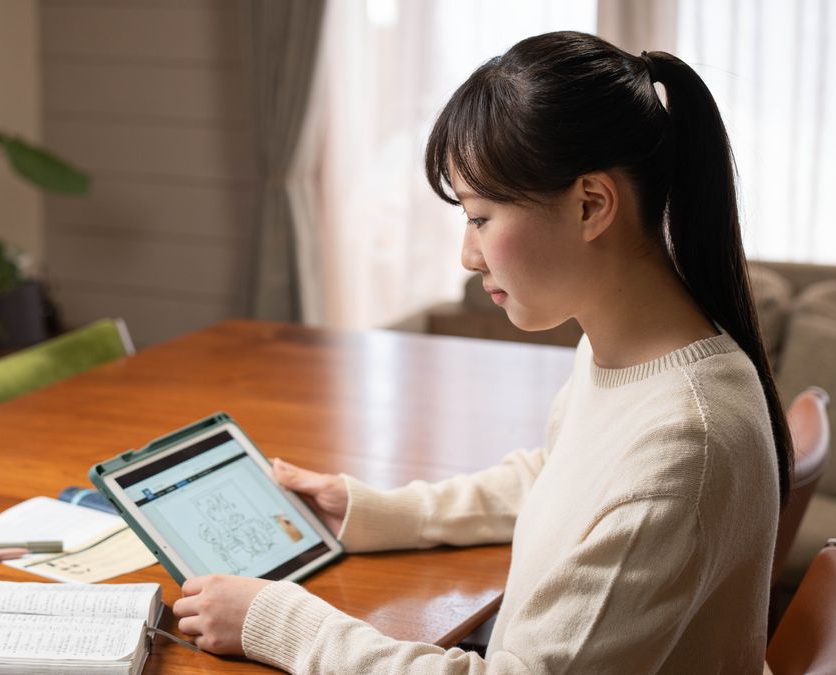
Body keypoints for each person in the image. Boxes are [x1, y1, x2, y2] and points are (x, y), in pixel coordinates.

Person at [172, 30, 792, 673]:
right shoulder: (630, 353)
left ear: (592, 204)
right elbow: (557, 477)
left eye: (479, 217)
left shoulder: (687, 441)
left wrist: (285, 623)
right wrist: (374, 512)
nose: (468, 256)